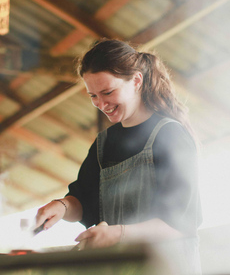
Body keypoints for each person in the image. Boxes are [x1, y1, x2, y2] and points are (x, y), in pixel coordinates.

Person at [35, 39, 202, 271]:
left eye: (107, 92)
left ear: (136, 81)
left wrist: (119, 234)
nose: (102, 104)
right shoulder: (104, 143)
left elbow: (179, 225)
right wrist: (61, 207)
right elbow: (83, 201)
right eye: (93, 96)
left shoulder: (171, 136)